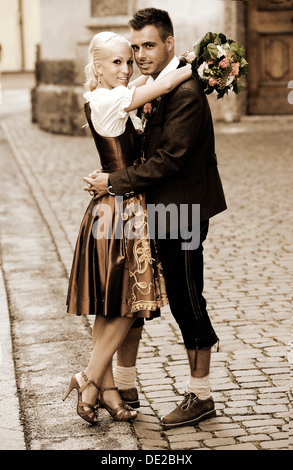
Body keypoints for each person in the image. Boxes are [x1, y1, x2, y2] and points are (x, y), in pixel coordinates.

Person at [85, 8, 227, 428]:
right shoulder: (153, 86)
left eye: (149, 46)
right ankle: (124, 385)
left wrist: (114, 182)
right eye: (134, 48)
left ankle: (201, 395)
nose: (140, 56)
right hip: (151, 209)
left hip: (181, 209)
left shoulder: (184, 93)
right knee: (137, 300)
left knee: (187, 299)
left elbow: (170, 159)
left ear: (168, 43)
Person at [63, 31, 193, 425]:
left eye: (128, 59)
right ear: (97, 67)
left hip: (121, 204)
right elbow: (163, 84)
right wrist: (197, 66)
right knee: (126, 304)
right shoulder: (107, 99)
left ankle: (103, 388)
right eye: (116, 62)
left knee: (111, 302)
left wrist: (171, 61)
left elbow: (143, 83)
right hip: (118, 211)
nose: (126, 68)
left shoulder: (108, 95)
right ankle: (89, 378)